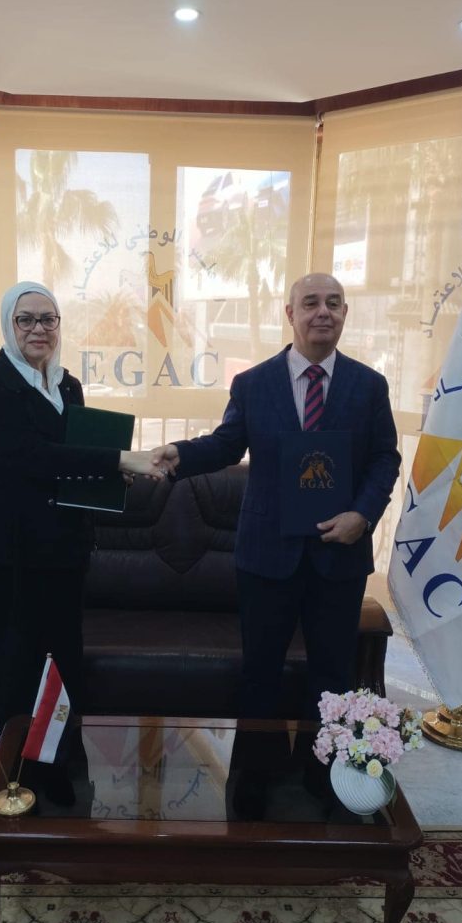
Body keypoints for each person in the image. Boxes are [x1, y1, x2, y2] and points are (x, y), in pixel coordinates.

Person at [152, 272, 400, 720]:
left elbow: (385, 458)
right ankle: (257, 763)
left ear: (345, 313)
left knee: (333, 679)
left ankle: (322, 763)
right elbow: (227, 445)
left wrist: (362, 516)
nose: (323, 312)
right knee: (260, 675)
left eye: (333, 303)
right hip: (267, 555)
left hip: (339, 556)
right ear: (290, 313)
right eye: (310, 303)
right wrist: (180, 454)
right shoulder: (253, 383)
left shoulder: (369, 386)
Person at [0, 281, 163, 732]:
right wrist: (118, 459)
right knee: (17, 664)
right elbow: (30, 457)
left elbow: (72, 459)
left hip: (65, 548)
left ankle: (61, 753)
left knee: (64, 657)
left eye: (48, 319)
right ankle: (14, 762)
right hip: (10, 553)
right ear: (8, 325)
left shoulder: (68, 385)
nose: (39, 329)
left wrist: (108, 475)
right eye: (26, 319)